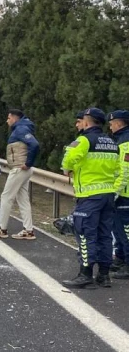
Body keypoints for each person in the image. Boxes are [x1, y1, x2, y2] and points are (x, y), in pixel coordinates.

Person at [61, 108, 119, 289]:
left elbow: (68, 159)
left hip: (89, 196)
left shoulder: (84, 140)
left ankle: (85, 274)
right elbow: (118, 169)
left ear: (87, 122)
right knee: (105, 236)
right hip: (108, 195)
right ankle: (104, 275)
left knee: (86, 234)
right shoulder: (111, 142)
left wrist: (67, 168)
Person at [0, 109, 40, 240]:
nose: (7, 120)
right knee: (23, 199)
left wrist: (28, 163)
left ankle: (1, 229)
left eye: (9, 118)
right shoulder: (23, 128)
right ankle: (28, 230)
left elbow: (35, 144)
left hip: (19, 169)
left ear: (15, 118)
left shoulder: (21, 129)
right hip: (22, 169)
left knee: (6, 197)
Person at [108, 110, 129, 279]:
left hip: (125, 194)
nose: (110, 126)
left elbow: (124, 172)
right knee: (118, 229)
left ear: (119, 124)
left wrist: (114, 193)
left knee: (125, 230)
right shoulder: (120, 140)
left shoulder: (125, 141)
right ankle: (120, 259)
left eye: (111, 123)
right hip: (122, 193)